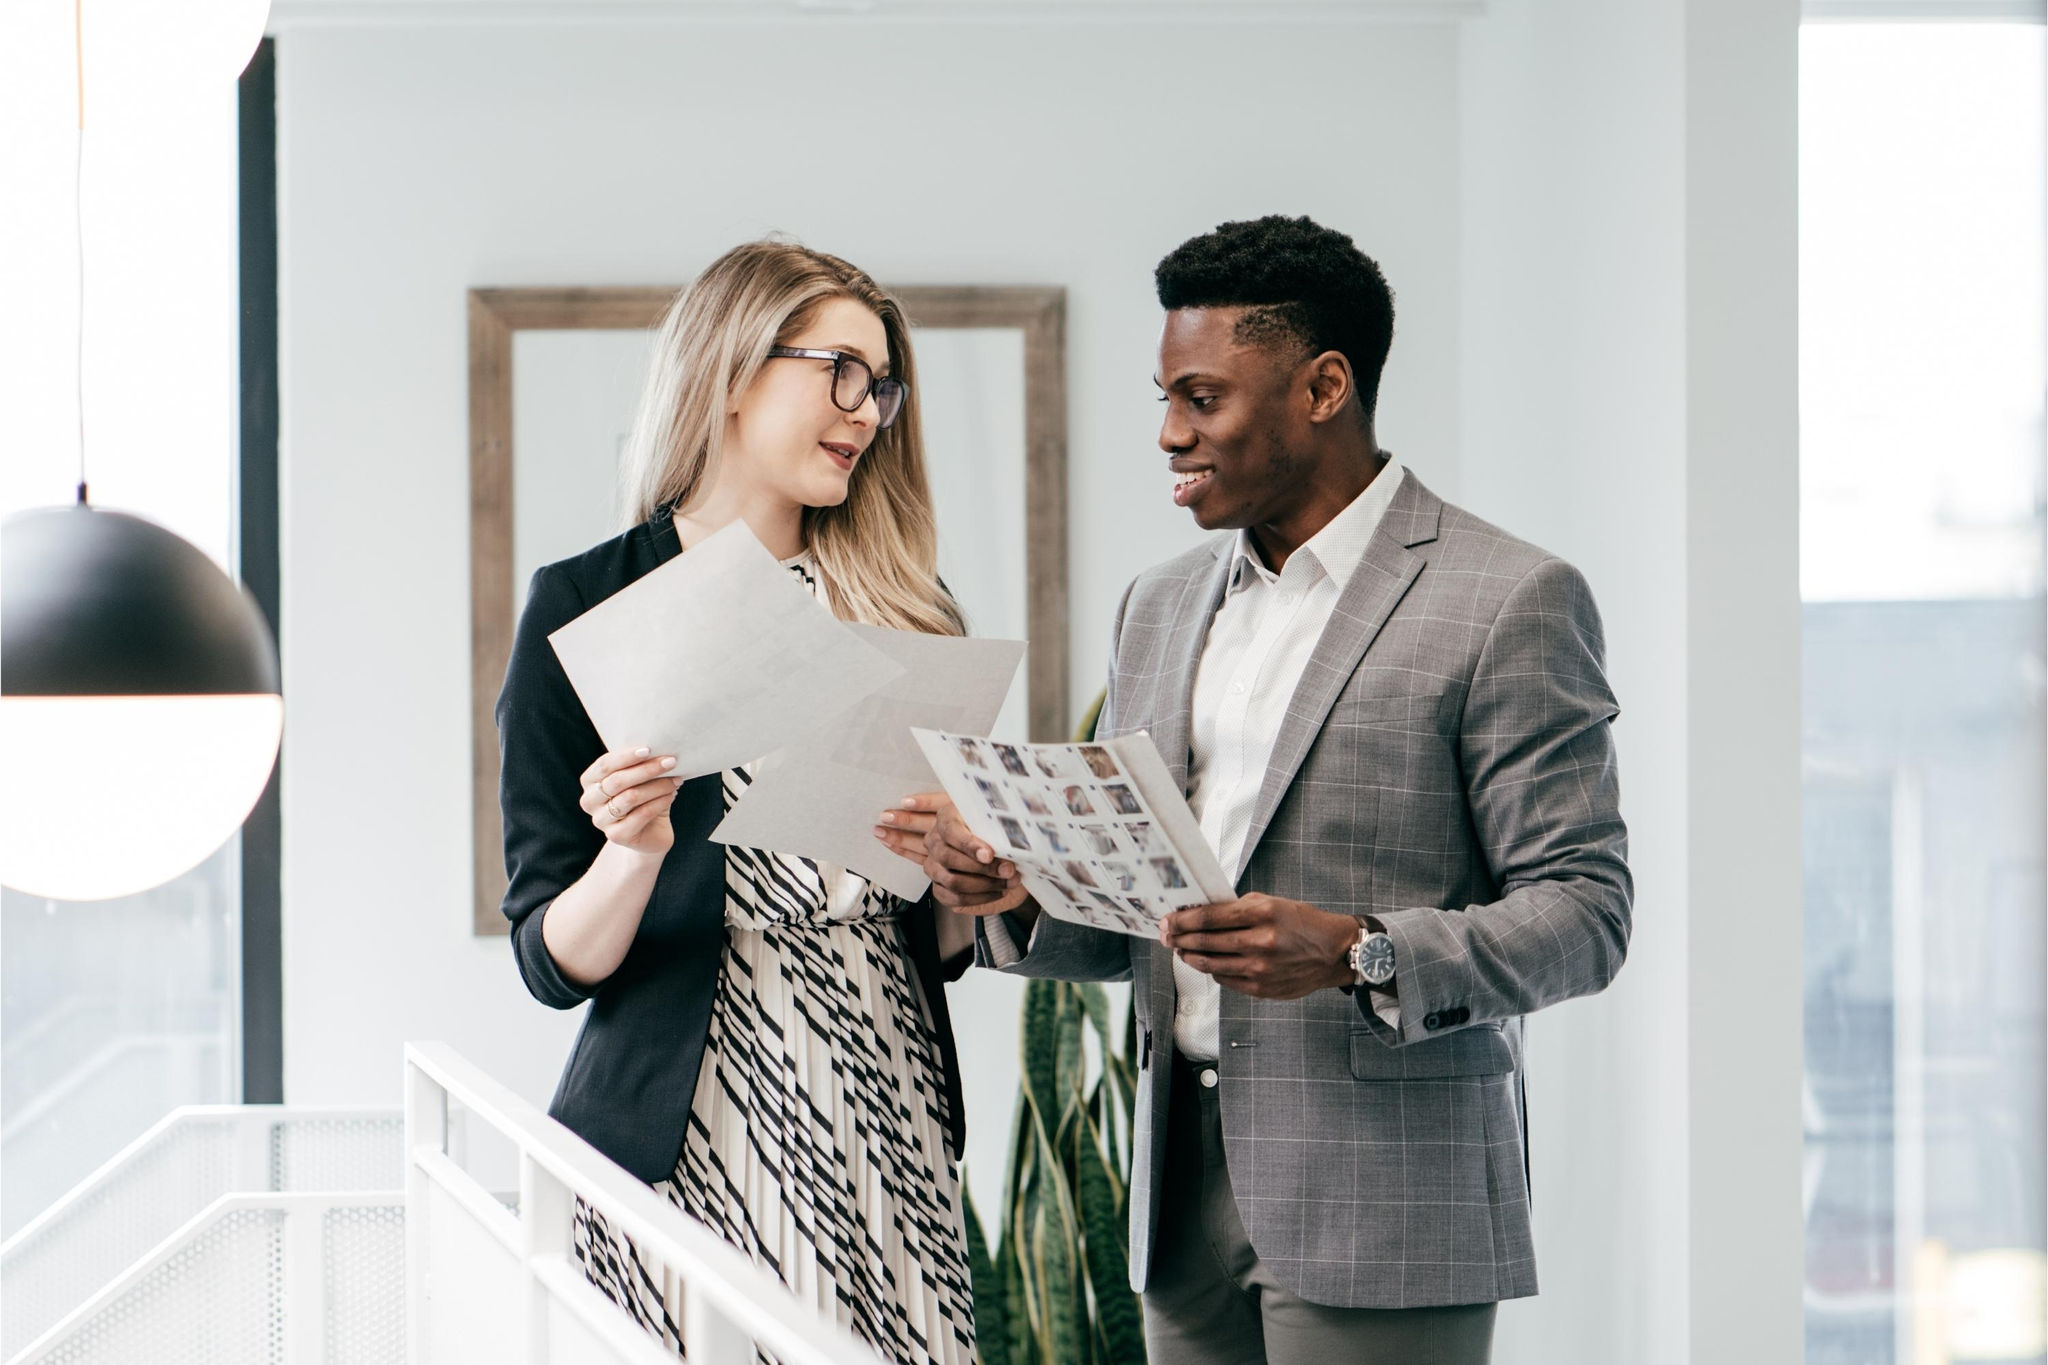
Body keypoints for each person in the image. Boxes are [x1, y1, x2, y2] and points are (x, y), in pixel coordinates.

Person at [880, 216, 1632, 1365]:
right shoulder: (1160, 603)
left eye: (1201, 397)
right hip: (1177, 1195)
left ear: (1323, 386)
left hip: (1384, 1196)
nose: (1169, 433)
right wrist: (1017, 892)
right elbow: (1144, 918)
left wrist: (1356, 951)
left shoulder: (1507, 598)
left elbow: (1584, 913)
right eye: (1163, 398)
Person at [498, 240, 977, 1365]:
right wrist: (629, 852)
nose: (866, 412)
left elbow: (936, 929)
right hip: (690, 1105)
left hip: (883, 1083)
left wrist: (962, 878)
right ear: (729, 367)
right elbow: (548, 960)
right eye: (839, 372)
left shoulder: (908, 606)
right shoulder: (587, 602)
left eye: (882, 386)